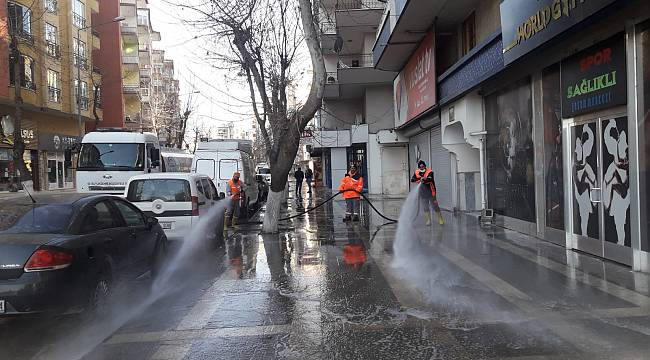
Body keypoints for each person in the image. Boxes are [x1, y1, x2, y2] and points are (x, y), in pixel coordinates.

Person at [411, 160, 444, 226]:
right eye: (420, 167)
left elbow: (430, 179)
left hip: (431, 193)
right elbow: (412, 180)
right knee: (425, 207)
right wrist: (420, 179)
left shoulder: (430, 172)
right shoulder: (417, 172)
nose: (422, 168)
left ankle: (440, 219)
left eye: (423, 166)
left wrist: (424, 179)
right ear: (419, 167)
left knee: (435, 206)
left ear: (425, 166)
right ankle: (428, 220)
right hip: (423, 193)